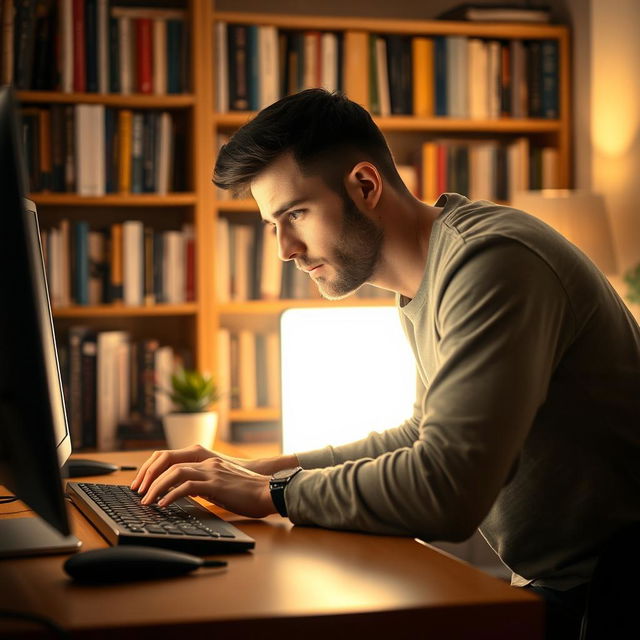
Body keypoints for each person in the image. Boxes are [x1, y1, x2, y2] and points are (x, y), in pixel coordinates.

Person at [131, 89, 640, 639]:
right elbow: (422, 434)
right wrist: (260, 470)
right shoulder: (428, 278)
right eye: (272, 224)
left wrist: (271, 494)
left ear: (366, 185)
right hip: (570, 588)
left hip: (610, 597)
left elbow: (447, 489)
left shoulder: (491, 262)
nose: (285, 250)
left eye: (296, 214)